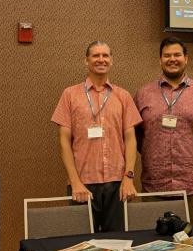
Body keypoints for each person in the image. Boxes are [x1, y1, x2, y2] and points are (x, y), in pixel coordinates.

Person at [51, 41, 141, 232]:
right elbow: (64, 141)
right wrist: (74, 181)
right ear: (86, 61)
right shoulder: (70, 95)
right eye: (96, 55)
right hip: (82, 184)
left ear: (111, 60)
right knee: (82, 244)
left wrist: (129, 178)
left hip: (118, 184)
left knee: (119, 243)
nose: (101, 59)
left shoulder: (123, 96)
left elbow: (131, 139)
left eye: (105, 55)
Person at [134, 37, 193, 225]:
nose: (172, 59)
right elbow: (137, 136)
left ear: (186, 58)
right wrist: (153, 153)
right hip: (154, 186)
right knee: (153, 243)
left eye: (177, 55)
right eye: (167, 55)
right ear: (160, 60)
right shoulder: (143, 94)